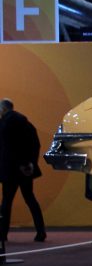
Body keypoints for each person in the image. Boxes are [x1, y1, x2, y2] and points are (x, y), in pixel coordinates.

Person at [0, 98, 46, 243]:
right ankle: (41, 232)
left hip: (9, 169)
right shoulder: (25, 123)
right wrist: (30, 163)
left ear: (3, 109)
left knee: (6, 202)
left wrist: (19, 163)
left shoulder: (4, 124)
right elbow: (35, 144)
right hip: (26, 170)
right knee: (30, 198)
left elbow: (10, 147)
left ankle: (2, 234)